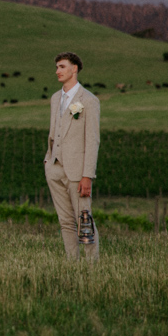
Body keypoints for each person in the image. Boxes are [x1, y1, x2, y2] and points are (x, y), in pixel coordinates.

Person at [43, 52, 101, 261]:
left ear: (74, 69)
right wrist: (48, 160)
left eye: (62, 67)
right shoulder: (55, 98)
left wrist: (88, 175)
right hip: (55, 167)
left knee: (84, 219)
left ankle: (91, 265)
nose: (57, 71)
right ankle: (72, 263)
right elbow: (53, 132)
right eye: (57, 67)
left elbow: (92, 140)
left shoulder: (89, 101)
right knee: (65, 221)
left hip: (78, 172)